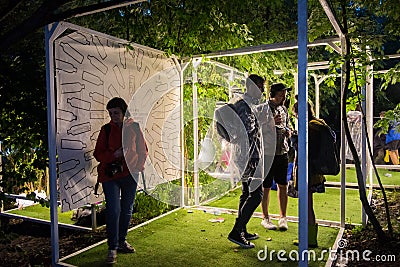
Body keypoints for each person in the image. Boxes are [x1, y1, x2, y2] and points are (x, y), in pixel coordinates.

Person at [94, 97, 148, 264]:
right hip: (110, 176)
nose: (113, 116)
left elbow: (142, 149)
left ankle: (122, 241)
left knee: (127, 209)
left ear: (123, 112)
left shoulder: (134, 127)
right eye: (110, 113)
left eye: (116, 113)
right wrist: (114, 155)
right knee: (114, 210)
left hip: (130, 174)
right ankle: (112, 248)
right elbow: (98, 154)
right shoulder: (106, 130)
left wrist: (137, 166)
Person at [227, 74, 265, 249]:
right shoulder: (244, 104)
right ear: (250, 87)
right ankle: (236, 231)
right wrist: (264, 121)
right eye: (260, 86)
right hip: (247, 157)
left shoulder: (247, 103)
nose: (263, 90)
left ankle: (241, 229)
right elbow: (246, 129)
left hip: (247, 155)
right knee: (256, 194)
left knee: (246, 193)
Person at [292, 98, 326, 248]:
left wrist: (293, 137)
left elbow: (303, 148)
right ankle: (309, 237)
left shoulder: (309, 127)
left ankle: (309, 239)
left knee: (306, 206)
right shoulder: (318, 123)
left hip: (308, 172)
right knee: (308, 204)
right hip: (316, 172)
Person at [260, 83, 291, 231]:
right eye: (280, 95)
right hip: (267, 153)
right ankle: (265, 218)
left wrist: (288, 132)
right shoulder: (263, 109)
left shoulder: (284, 109)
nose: (283, 98)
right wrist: (270, 123)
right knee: (265, 187)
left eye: (284, 95)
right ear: (273, 94)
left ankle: (283, 217)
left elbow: (287, 126)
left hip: (282, 152)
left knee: (283, 185)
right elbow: (256, 130)